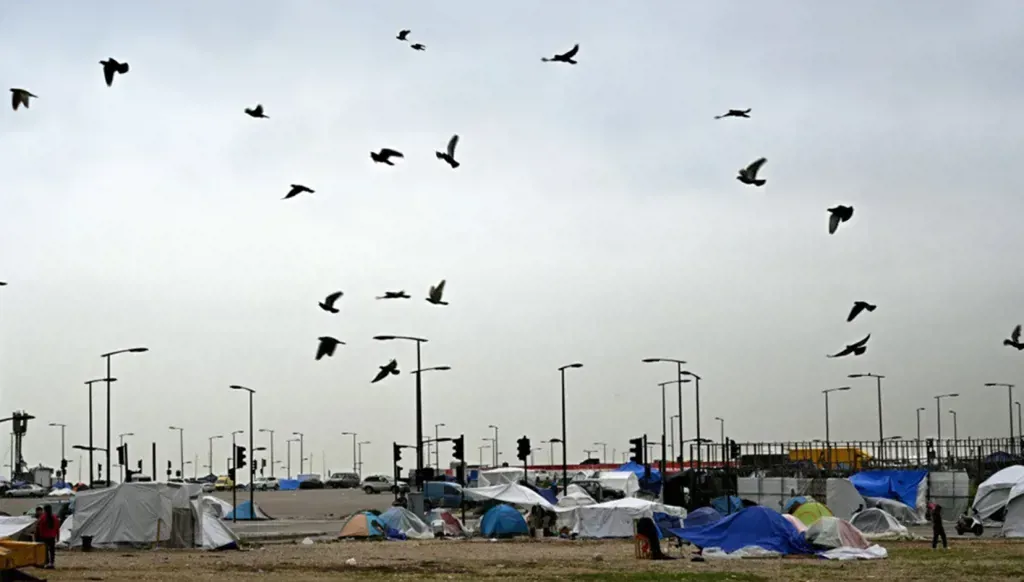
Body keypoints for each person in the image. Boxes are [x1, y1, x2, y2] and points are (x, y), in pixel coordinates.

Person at [36, 504, 61, 569]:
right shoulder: (55, 518)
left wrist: (40, 536)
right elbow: (57, 528)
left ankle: (46, 563)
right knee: (52, 550)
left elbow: (40, 528)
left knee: (45, 550)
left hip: (44, 537)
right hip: (52, 537)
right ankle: (52, 563)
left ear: (44, 510)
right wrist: (58, 537)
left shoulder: (42, 518)